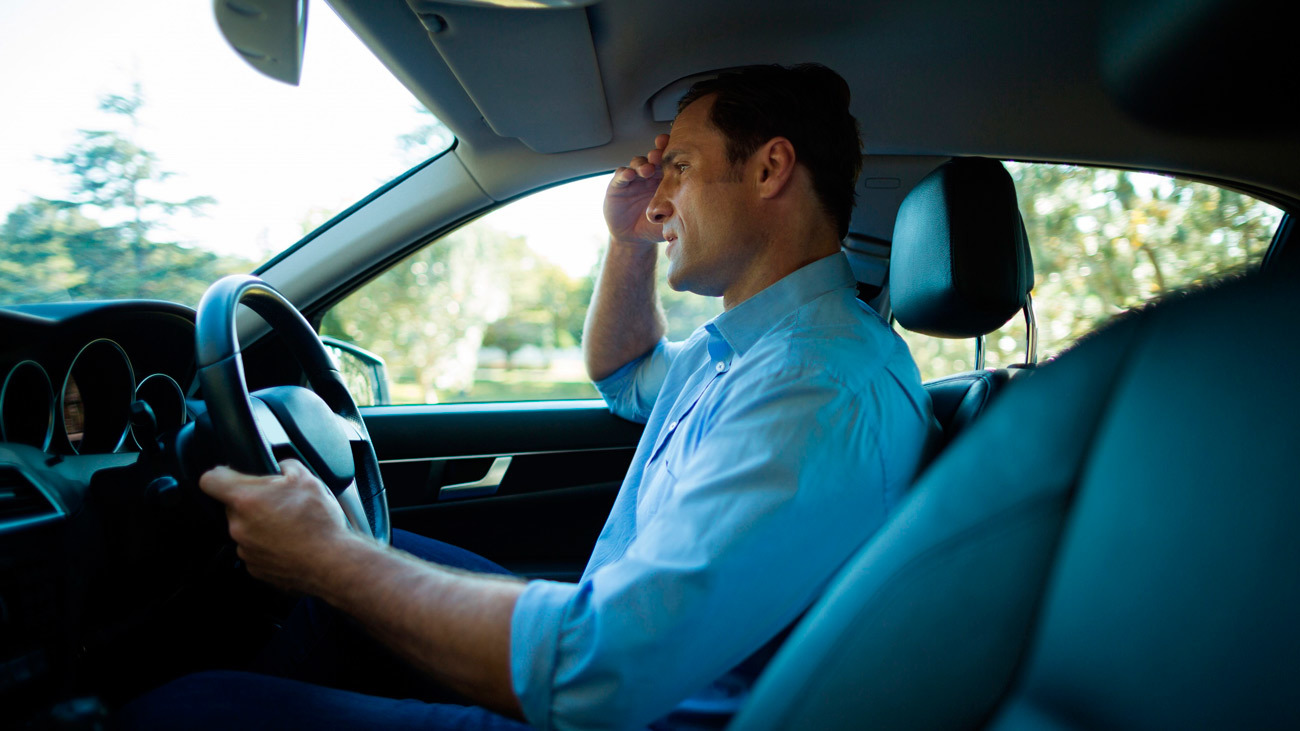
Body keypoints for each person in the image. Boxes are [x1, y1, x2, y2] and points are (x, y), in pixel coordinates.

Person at [118, 64, 933, 730]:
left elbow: (600, 673)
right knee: (366, 555)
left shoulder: (817, 385)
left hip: (629, 707)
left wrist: (331, 558)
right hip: (618, 650)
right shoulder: (758, 349)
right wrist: (626, 243)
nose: (658, 203)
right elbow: (624, 373)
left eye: (678, 168)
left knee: (181, 710)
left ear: (769, 168)